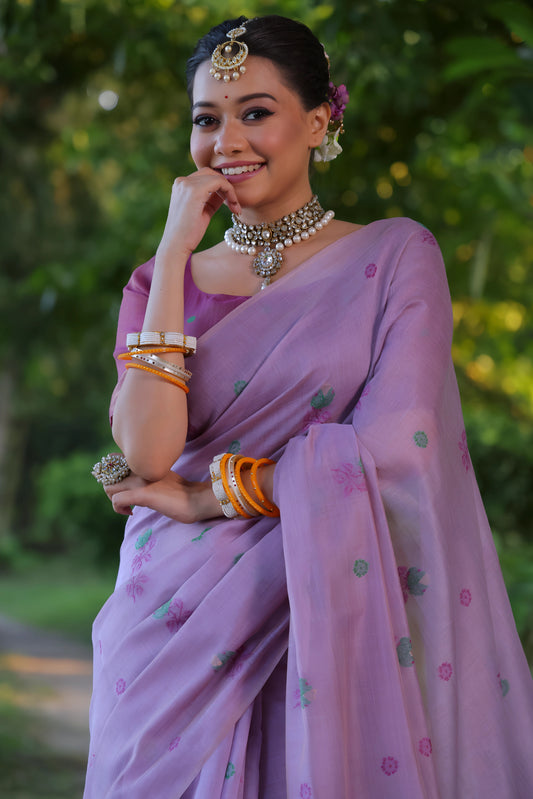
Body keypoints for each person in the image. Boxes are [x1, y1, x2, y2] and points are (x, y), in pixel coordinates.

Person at [84, 14, 533, 799]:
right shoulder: (160, 281)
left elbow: (400, 445)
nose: (227, 139)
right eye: (206, 118)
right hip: (169, 624)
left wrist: (210, 494)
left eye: (255, 111)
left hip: (323, 603)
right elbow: (149, 455)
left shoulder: (393, 257)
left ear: (319, 121)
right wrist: (171, 252)